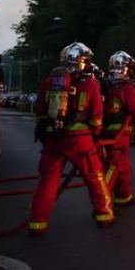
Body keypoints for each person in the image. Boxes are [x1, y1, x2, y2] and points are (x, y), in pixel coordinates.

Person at [28, 42, 114, 234]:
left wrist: (50, 129)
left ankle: (37, 222)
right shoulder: (90, 84)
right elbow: (96, 117)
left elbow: (40, 112)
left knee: (48, 179)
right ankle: (104, 215)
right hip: (79, 140)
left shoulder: (49, 82)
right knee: (94, 176)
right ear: (83, 62)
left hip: (53, 139)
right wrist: (95, 133)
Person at [98, 51, 135, 207]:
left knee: (124, 168)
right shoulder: (127, 87)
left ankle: (123, 196)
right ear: (126, 68)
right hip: (118, 135)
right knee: (113, 167)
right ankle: (102, 204)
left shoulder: (108, 85)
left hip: (109, 132)